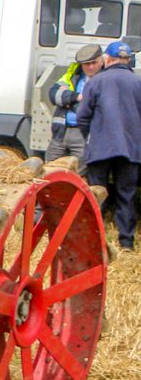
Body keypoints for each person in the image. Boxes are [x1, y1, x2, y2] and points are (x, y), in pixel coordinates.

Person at [76, 40, 141, 251]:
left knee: (96, 195)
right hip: (131, 150)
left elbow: (82, 116)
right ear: (128, 60)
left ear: (108, 59)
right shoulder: (138, 82)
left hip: (101, 149)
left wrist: (92, 137)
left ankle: (94, 242)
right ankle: (126, 243)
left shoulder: (96, 81)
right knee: (126, 195)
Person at [45, 44, 104, 162]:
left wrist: (69, 103)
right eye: (87, 64)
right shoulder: (72, 76)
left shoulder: (106, 79)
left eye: (94, 63)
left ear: (102, 61)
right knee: (49, 171)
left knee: (78, 175)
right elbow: (54, 94)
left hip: (84, 135)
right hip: (61, 133)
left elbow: (97, 107)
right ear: (81, 64)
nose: (91, 67)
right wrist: (76, 97)